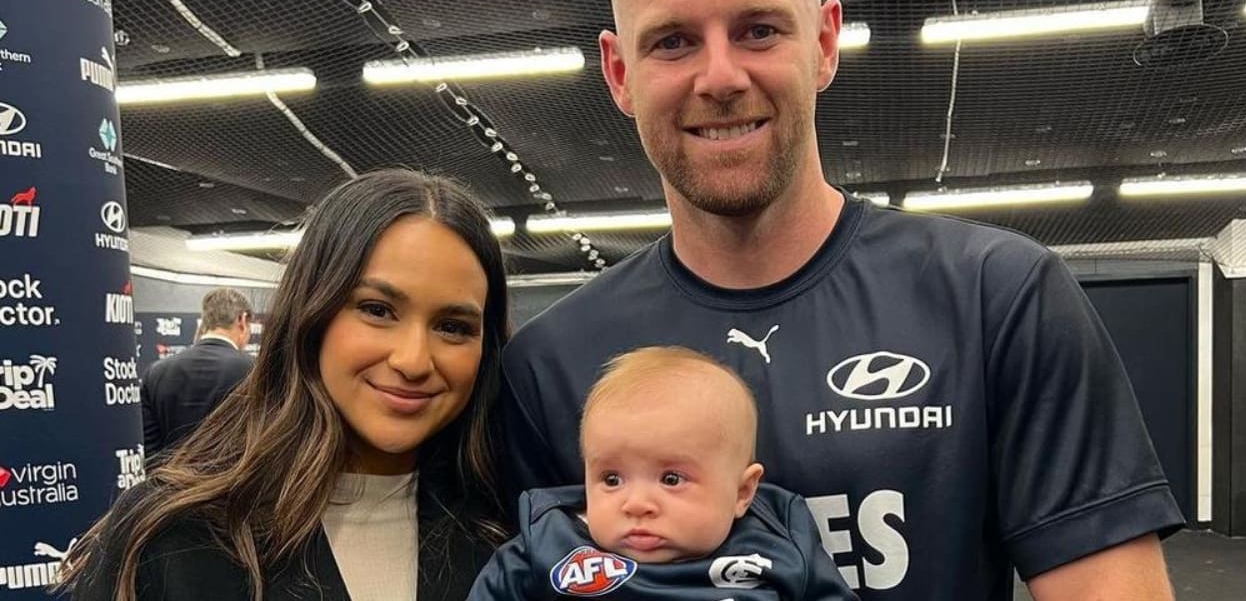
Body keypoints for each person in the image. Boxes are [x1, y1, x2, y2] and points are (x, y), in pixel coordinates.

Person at [499, 0, 1185, 600]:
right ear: (619, 74)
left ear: (824, 44)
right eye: (672, 41)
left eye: (759, 29)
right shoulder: (551, 368)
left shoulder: (997, 296)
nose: (721, 76)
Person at [60, 169, 510, 601]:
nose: (413, 360)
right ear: (311, 313)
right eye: (377, 310)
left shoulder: (514, 532)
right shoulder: (170, 535)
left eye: (453, 326)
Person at [471, 347, 856, 600]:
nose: (636, 504)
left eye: (671, 479)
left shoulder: (778, 542)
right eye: (611, 479)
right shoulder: (549, 544)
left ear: (742, 493)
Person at [140, 287, 254, 458]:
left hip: (171, 483)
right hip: (237, 483)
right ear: (242, 320)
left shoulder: (156, 373)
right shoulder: (255, 370)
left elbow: (150, 451)